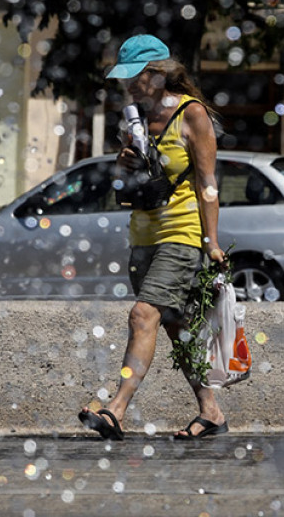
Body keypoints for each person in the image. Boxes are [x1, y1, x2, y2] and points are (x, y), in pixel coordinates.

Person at [79, 34, 230, 441]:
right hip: (143, 235)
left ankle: (116, 409)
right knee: (176, 328)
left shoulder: (192, 114)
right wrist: (123, 161)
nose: (128, 86)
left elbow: (207, 182)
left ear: (159, 74)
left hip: (181, 234)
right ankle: (211, 411)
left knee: (142, 315)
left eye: (136, 77)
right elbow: (124, 184)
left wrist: (211, 241)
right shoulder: (137, 120)